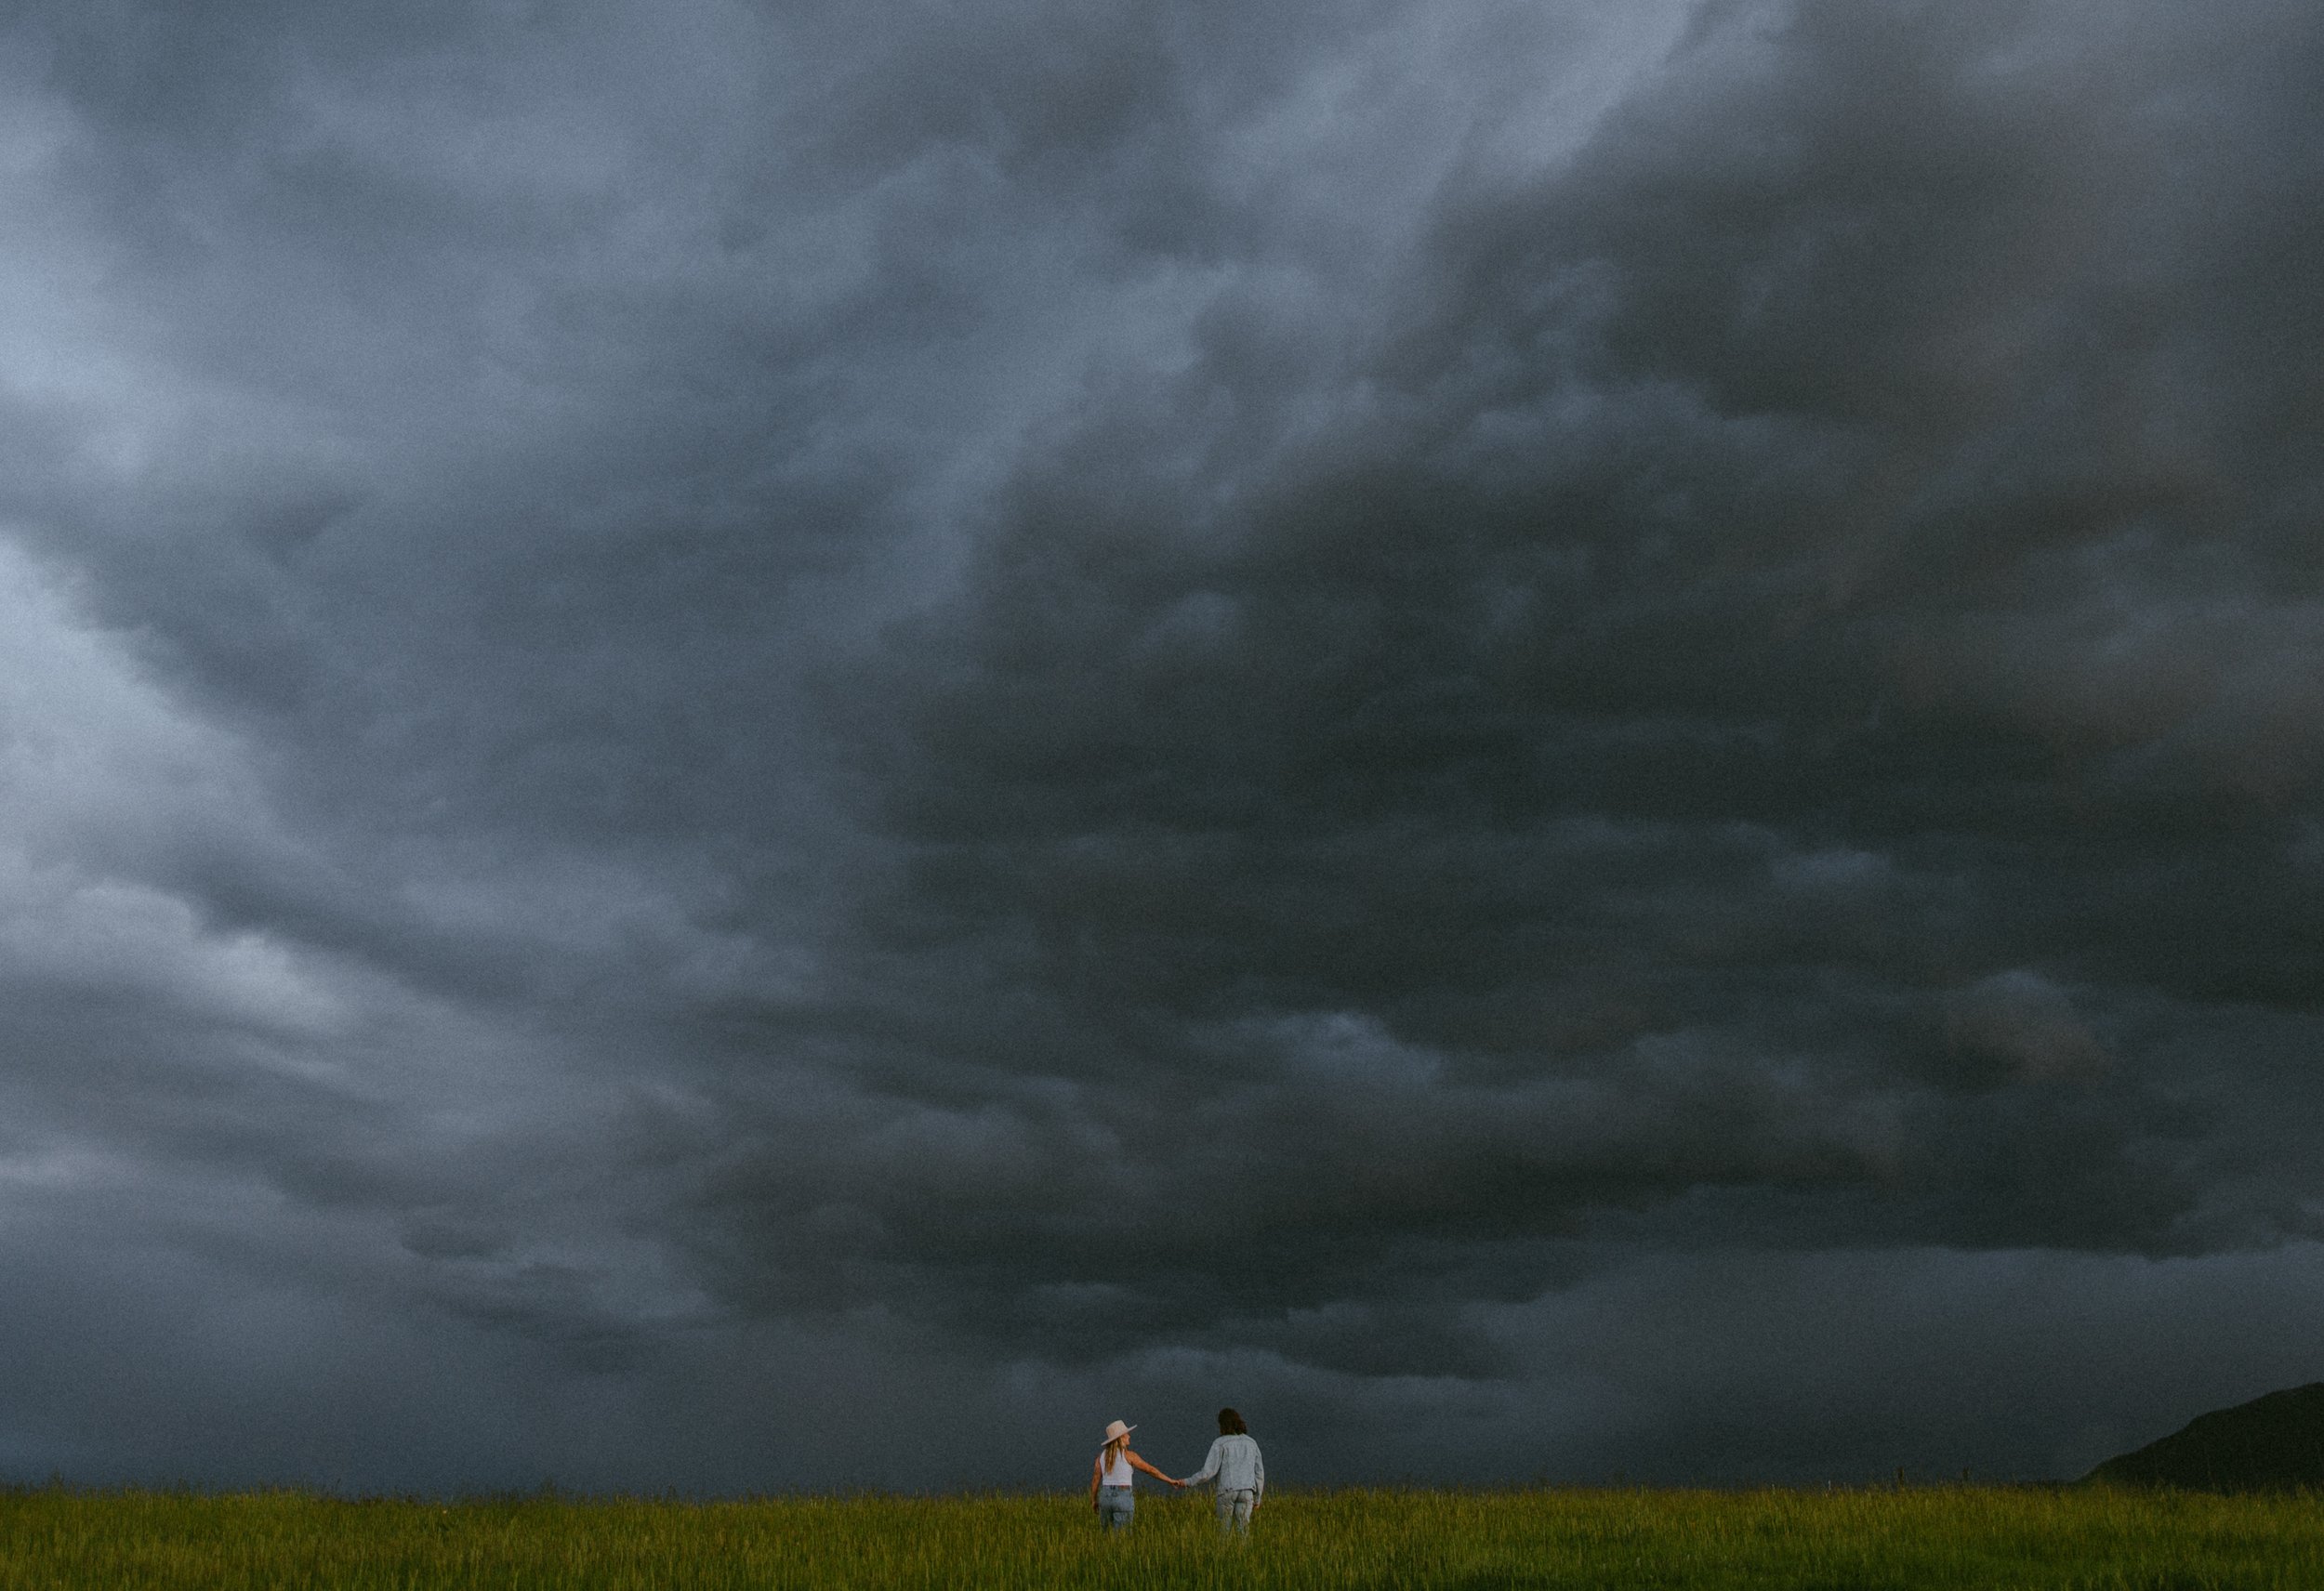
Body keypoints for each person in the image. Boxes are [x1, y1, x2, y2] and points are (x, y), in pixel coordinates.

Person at [1182, 1407, 1264, 1532]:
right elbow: (1259, 1473)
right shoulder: (1252, 1443)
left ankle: (1224, 1552)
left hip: (1227, 1490)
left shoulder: (1220, 1443)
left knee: (1224, 1532)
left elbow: (1208, 1472)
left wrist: (1187, 1482)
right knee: (1243, 1532)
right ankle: (1242, 1552)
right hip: (1247, 1491)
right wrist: (1257, 1498)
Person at [1089, 1418, 1182, 1530]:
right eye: (1126, 1434)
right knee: (1122, 1538)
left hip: (1105, 1497)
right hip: (1123, 1497)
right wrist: (1170, 1480)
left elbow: (1095, 1480)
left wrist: (1094, 1500)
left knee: (1106, 1536)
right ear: (1121, 1437)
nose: (1129, 1436)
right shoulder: (1129, 1455)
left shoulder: (1101, 1458)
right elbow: (1151, 1470)